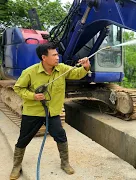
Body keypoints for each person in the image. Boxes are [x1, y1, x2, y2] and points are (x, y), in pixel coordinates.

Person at [9, 42, 91, 179]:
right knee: (23, 139)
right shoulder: (30, 72)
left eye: (57, 54)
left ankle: (65, 163)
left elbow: (77, 74)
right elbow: (18, 88)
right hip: (33, 112)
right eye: (54, 55)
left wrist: (86, 66)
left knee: (61, 136)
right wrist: (33, 96)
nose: (57, 57)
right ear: (44, 58)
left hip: (52, 112)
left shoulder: (62, 69)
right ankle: (16, 166)